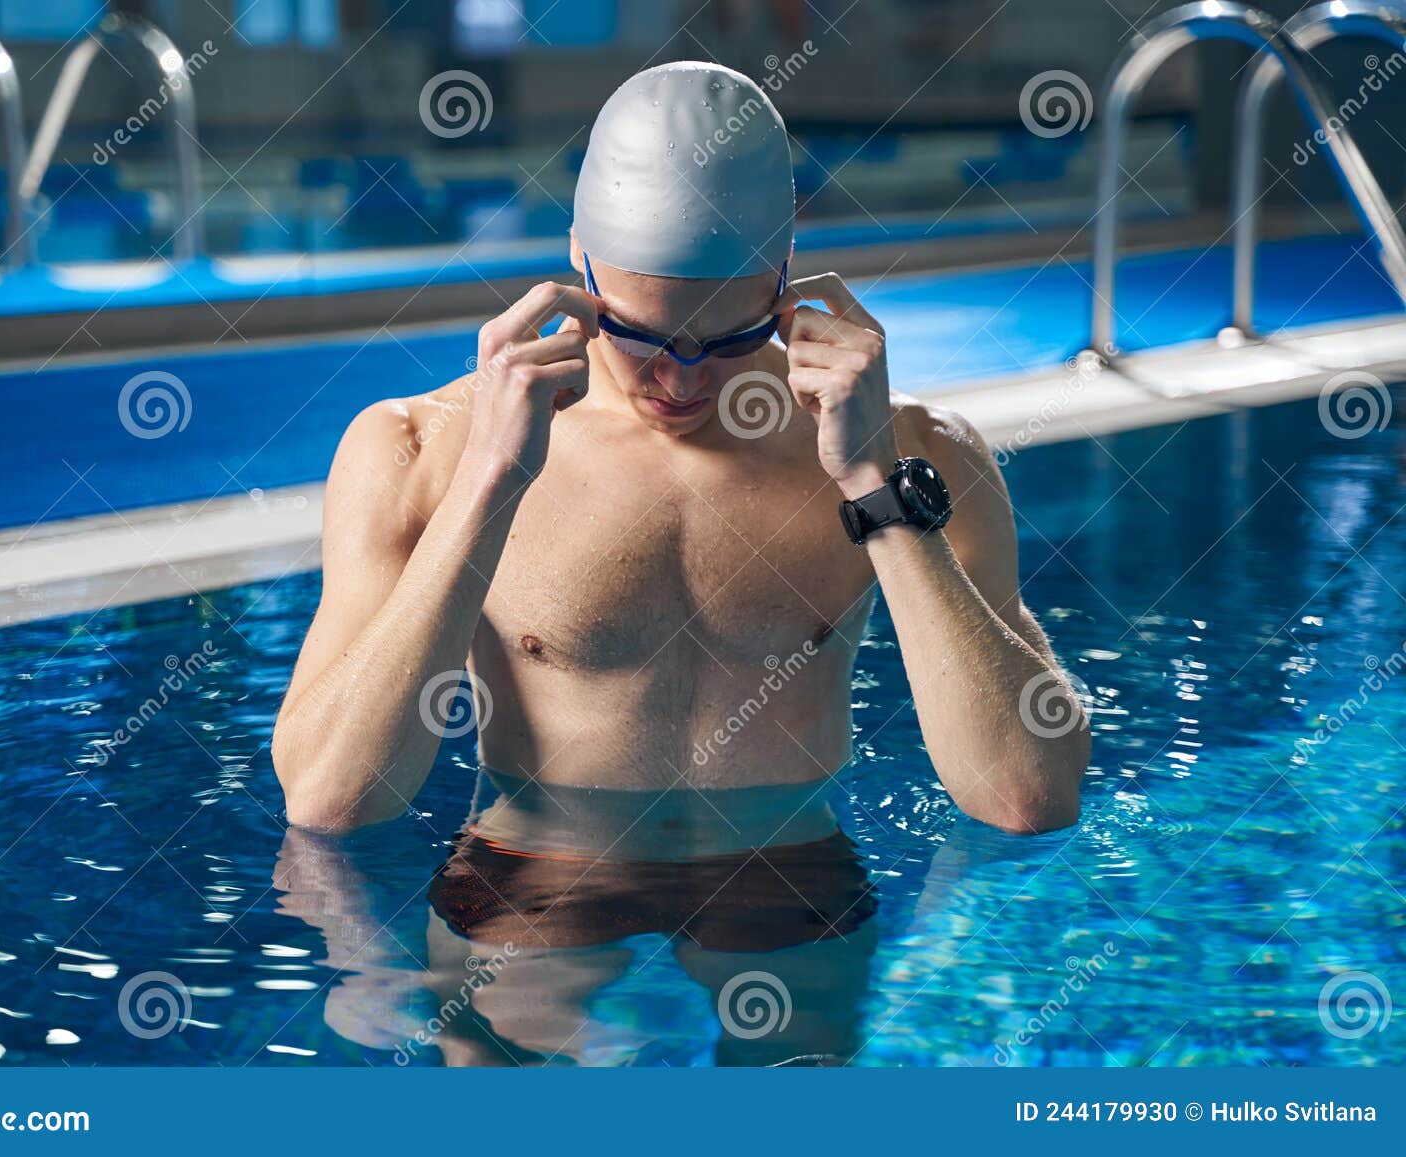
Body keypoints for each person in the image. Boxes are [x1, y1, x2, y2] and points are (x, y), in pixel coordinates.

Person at [271, 61, 1089, 837]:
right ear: (575, 258)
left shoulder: (917, 450)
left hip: (787, 881)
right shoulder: (420, 450)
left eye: (728, 337)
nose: (681, 380)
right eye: (637, 334)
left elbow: (1028, 794)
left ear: (785, 277)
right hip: (537, 879)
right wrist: (488, 480)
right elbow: (332, 801)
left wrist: (873, 485)